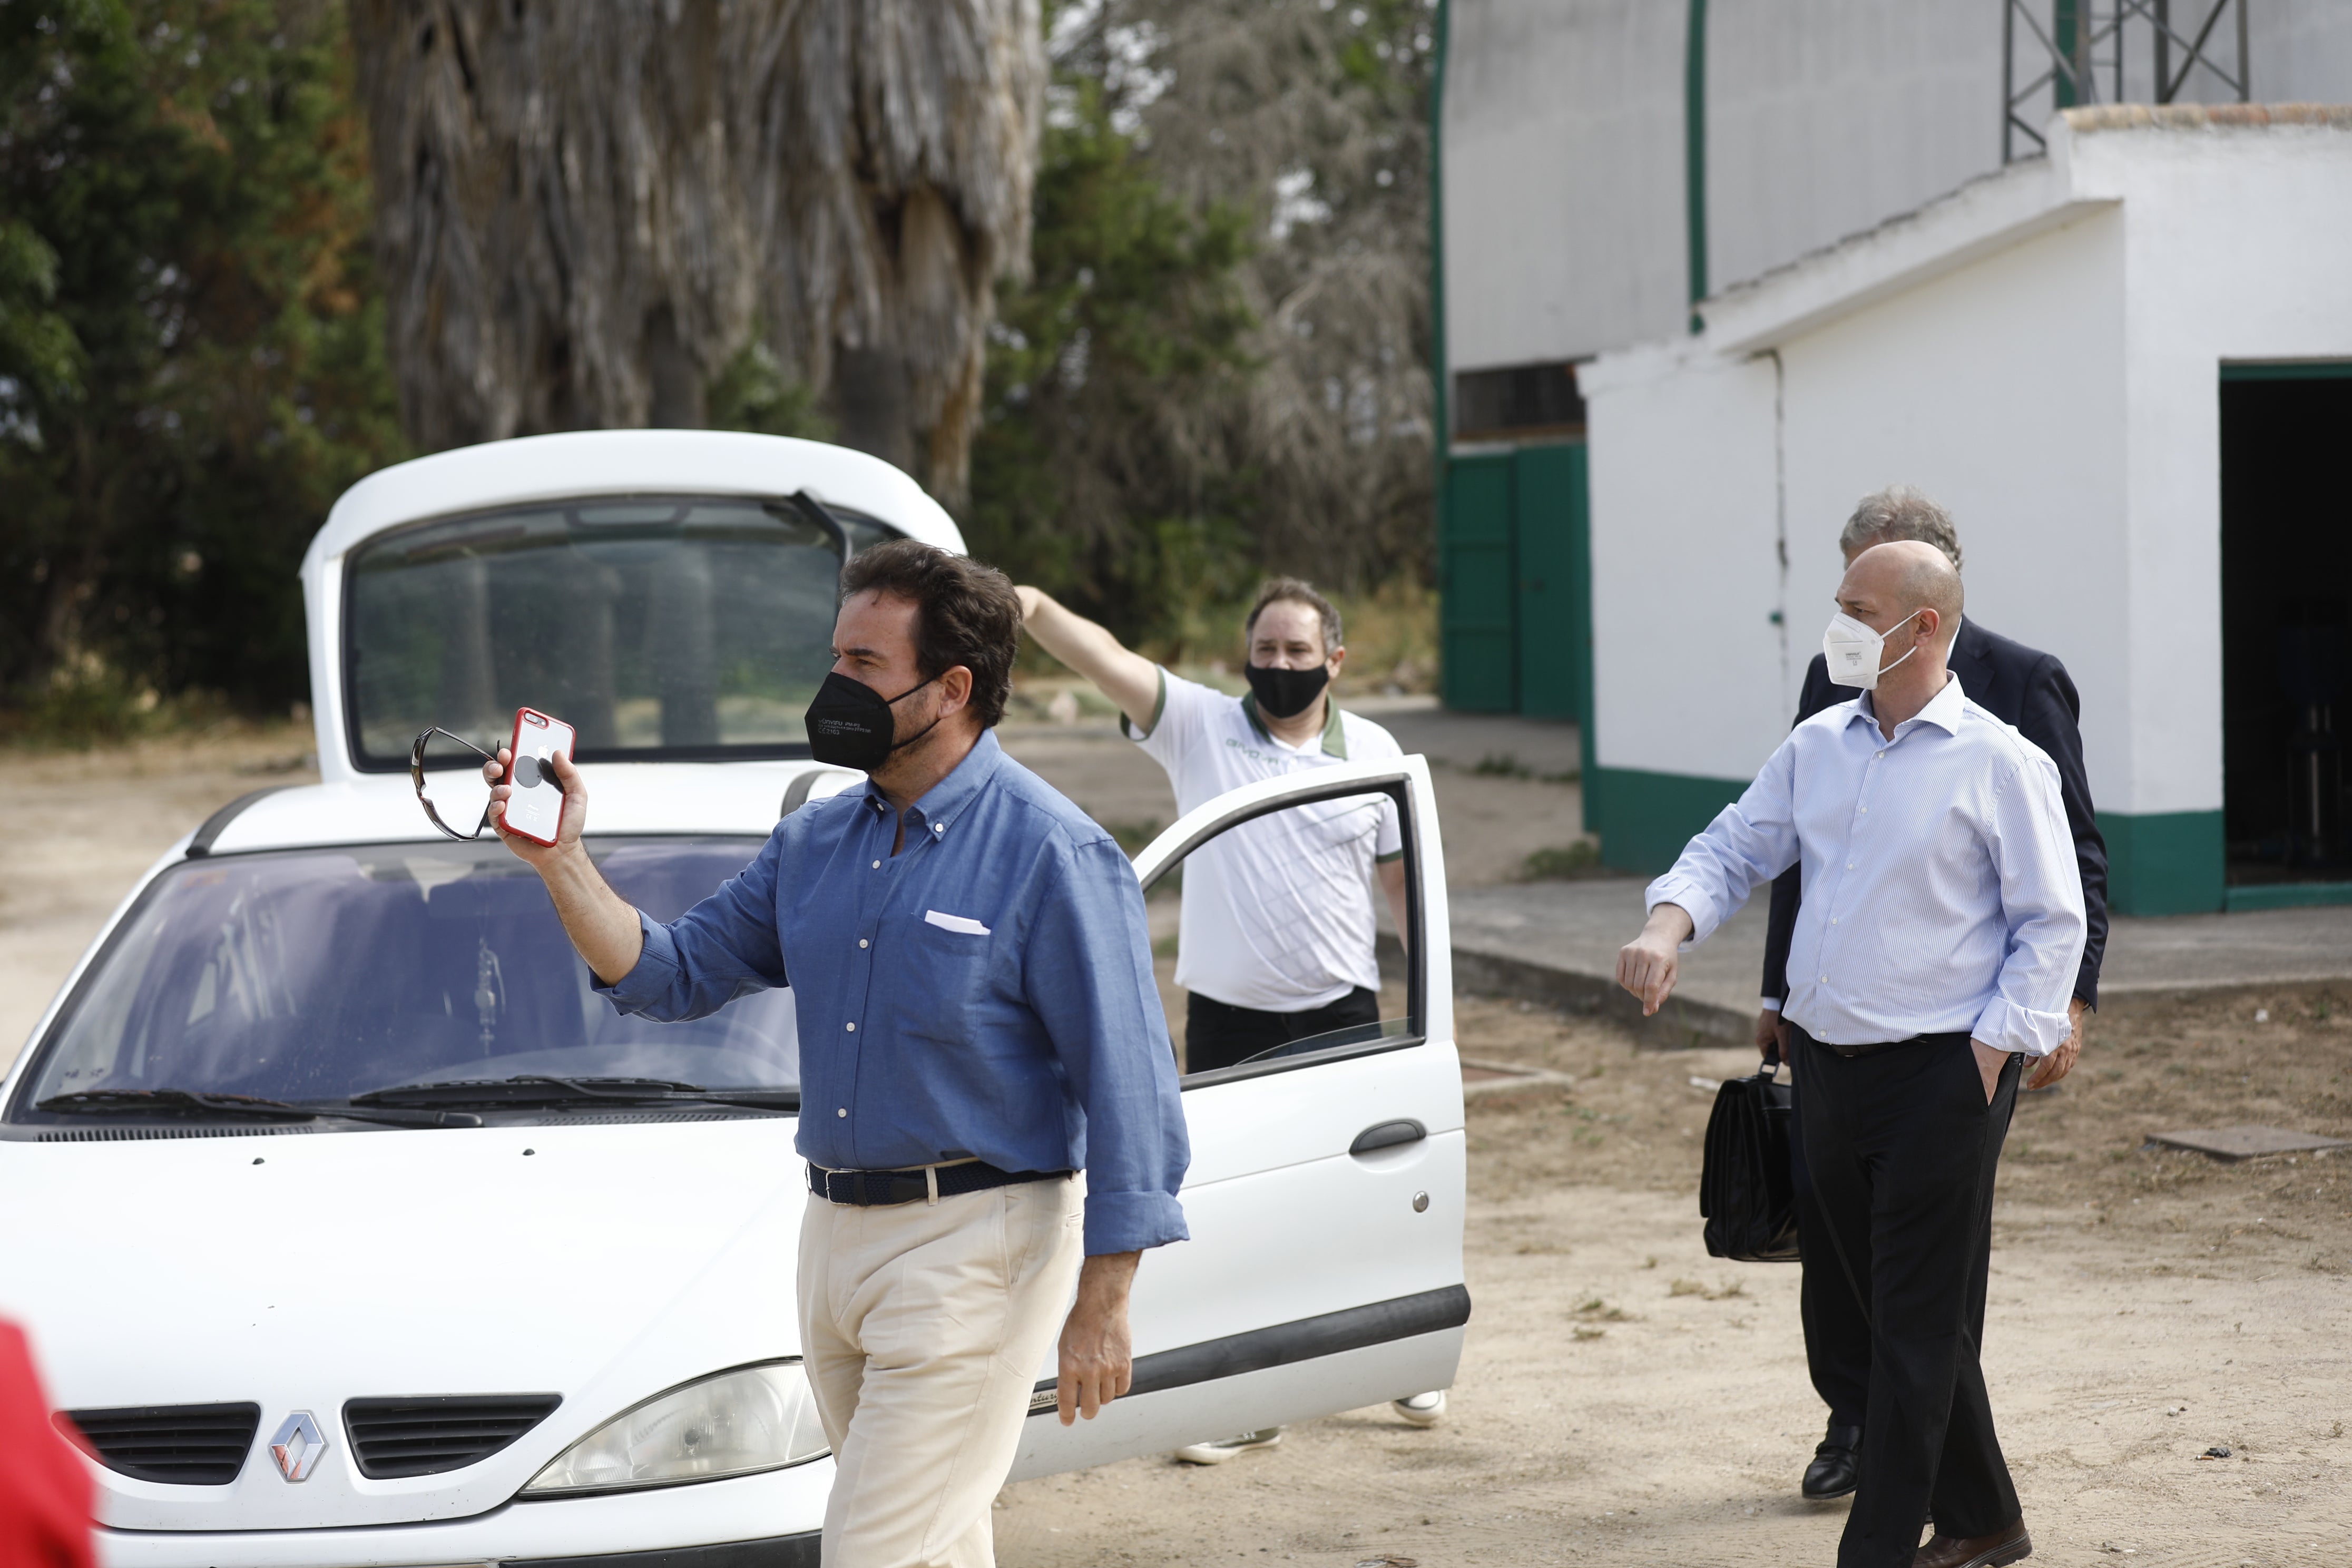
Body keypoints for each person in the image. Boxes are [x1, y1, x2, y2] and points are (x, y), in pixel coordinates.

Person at [485, 541, 1190, 1568]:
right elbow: (668, 973)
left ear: (952, 688)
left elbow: (1132, 1092)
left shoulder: (1056, 854)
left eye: (864, 664)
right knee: (935, 1548)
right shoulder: (815, 841)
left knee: (868, 1553)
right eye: (837, 657)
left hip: (978, 1250)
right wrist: (562, 864)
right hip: (833, 1243)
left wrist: (1105, 1302)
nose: (834, 686)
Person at [1617, 541, 2083, 1568]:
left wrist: (1993, 1054)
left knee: (1912, 1328)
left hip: (1938, 1081)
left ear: (1922, 626)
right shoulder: (1820, 745)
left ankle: (1874, 1552)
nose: (1836, 623)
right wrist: (1667, 926)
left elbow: (2053, 922)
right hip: (1829, 1074)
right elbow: (1736, 845)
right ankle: (1986, 1519)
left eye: (1854, 606)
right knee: (1870, 1306)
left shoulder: (2001, 761)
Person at [1015, 577, 1442, 1459]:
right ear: (1244, 656)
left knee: (1364, 1197)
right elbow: (1105, 659)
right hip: (1225, 1018)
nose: (1280, 666)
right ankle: (1252, 1399)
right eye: (1266, 650)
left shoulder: (1373, 750)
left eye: (1297, 651)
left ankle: (1403, 1355)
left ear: (1336, 659)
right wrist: (1030, 607)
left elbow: (1404, 885)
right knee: (1235, 1208)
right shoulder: (1200, 726)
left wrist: (1435, 999)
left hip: (1344, 1011)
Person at [1757, 488, 2109, 1505]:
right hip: (1834, 1022)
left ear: (1930, 594)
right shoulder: (1837, 685)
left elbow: (2069, 862)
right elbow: (1797, 849)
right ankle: (1864, 1421)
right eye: (1847, 581)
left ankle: (1904, 1467)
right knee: (1838, 1236)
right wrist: (1779, 990)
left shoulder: (2020, 687)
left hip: (1957, 1035)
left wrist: (2061, 1007)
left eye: (1869, 587)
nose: (1846, 618)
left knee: (1930, 1263)